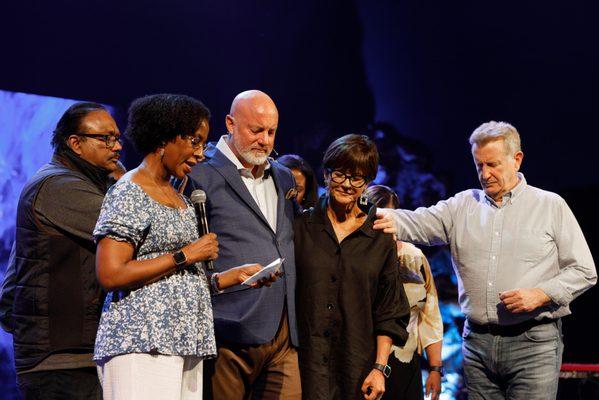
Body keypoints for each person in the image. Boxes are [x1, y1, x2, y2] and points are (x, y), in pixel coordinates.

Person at [374, 121, 597, 399]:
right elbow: (416, 221)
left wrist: (542, 294)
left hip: (533, 344)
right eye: (479, 166)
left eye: (493, 165)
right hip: (477, 345)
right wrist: (367, 213)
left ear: (517, 160)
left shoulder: (550, 206)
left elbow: (584, 270)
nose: (485, 174)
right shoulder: (462, 205)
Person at [91, 94, 277, 400]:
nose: (201, 153)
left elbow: (181, 279)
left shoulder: (180, 197)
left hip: (186, 343)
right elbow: (111, 273)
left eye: (203, 143)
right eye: (194, 141)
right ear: (165, 138)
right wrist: (185, 254)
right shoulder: (129, 190)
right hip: (142, 341)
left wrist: (230, 278)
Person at [0, 102, 123, 399]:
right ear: (75, 143)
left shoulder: (80, 183)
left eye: (118, 138)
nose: (116, 146)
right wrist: (130, 183)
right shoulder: (59, 186)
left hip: (73, 352)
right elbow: (132, 229)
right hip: (61, 359)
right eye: (105, 138)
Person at [187, 90, 301, 399]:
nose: (265, 140)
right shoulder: (199, 175)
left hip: (284, 330)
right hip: (227, 329)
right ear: (230, 123)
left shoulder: (284, 177)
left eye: (271, 132)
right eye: (256, 130)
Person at [294, 134, 410, 400]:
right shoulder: (301, 227)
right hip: (305, 368)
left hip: (357, 370)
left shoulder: (380, 237)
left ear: (367, 183)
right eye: (339, 175)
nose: (346, 185)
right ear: (326, 174)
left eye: (356, 178)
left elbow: (389, 310)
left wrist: (380, 368)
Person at [366, 185, 444, 400]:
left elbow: (430, 315)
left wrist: (435, 369)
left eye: (388, 216)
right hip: (365, 361)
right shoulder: (357, 257)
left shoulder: (414, 257)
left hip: (406, 362)